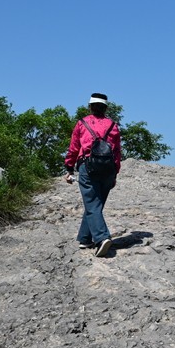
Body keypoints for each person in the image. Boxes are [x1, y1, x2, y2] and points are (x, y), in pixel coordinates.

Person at [64, 93, 122, 257]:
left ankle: (102, 237)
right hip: (108, 170)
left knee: (92, 204)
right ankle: (85, 238)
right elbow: (117, 152)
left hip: (87, 167)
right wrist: (115, 173)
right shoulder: (113, 125)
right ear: (105, 107)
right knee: (95, 205)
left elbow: (74, 148)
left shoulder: (82, 123)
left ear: (90, 106)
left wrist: (69, 168)